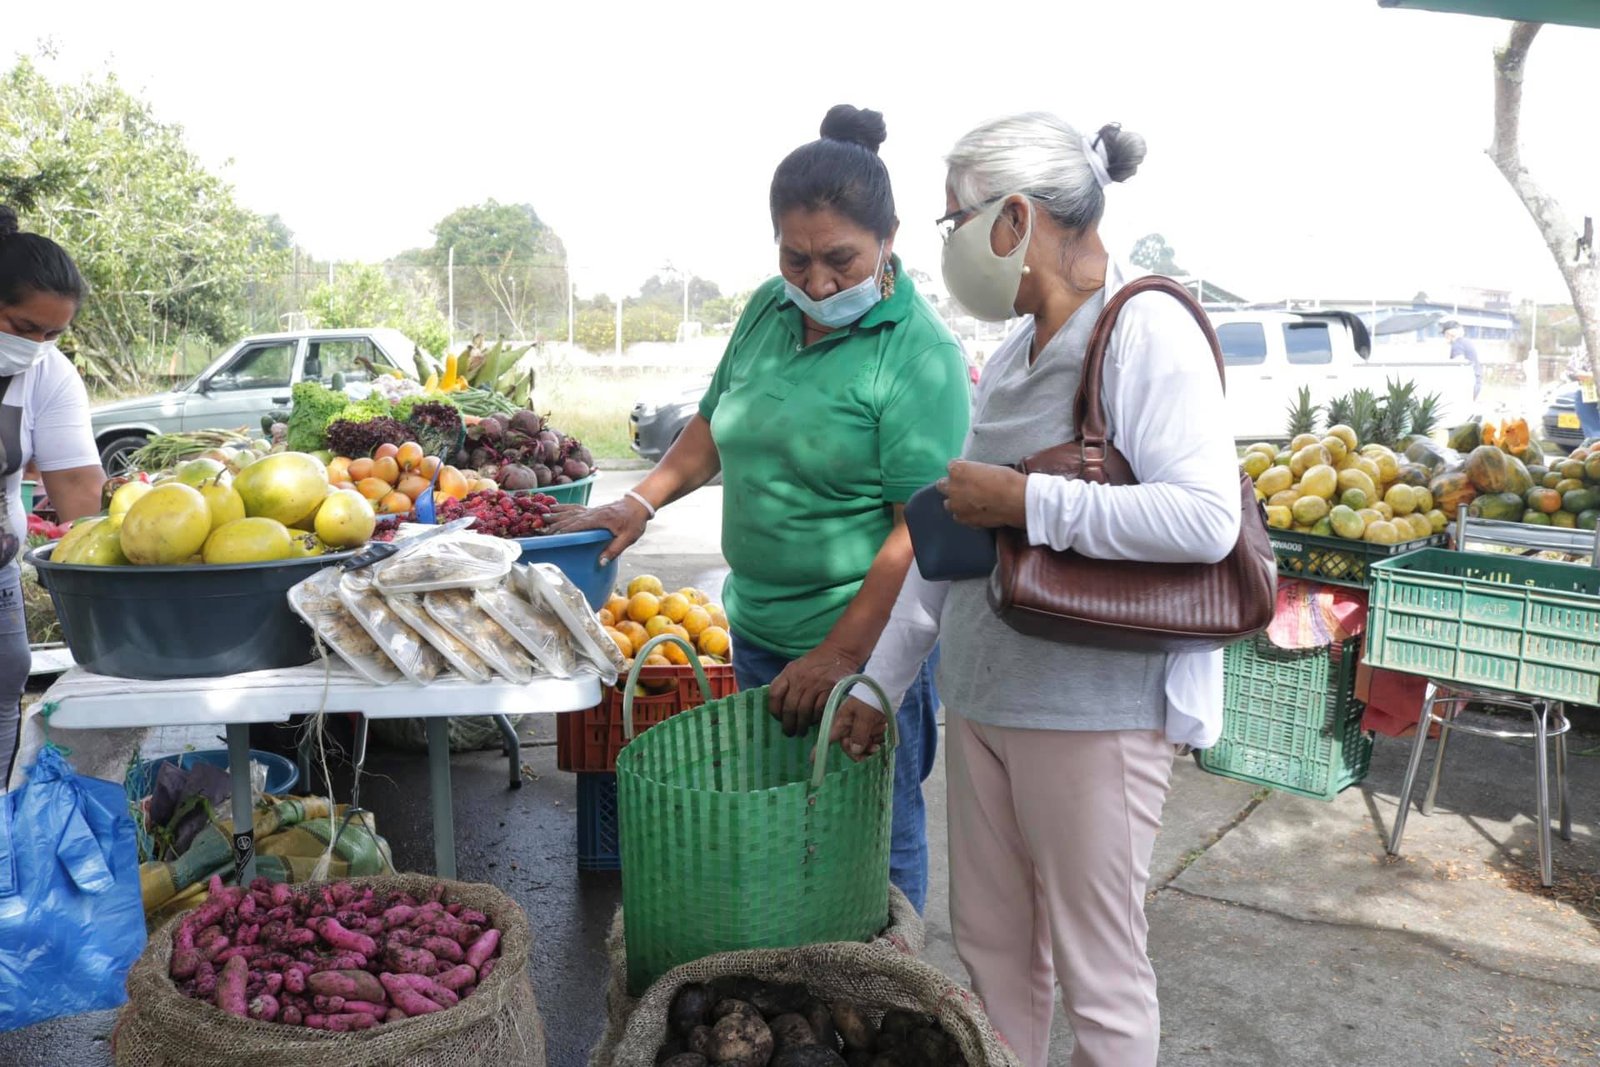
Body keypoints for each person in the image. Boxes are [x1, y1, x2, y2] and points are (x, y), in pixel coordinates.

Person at [828, 114, 1240, 1067]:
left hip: (1092, 711)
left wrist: (1028, 498)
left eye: (949, 224)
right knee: (996, 957)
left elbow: (1205, 520)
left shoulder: (1143, 327)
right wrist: (881, 681)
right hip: (984, 701)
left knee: (1101, 974)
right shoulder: (1015, 352)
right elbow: (954, 547)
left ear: (1012, 217)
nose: (942, 250)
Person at [546, 106, 970, 912]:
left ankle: (886, 1000)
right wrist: (638, 501)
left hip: (864, 653)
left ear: (889, 239)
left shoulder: (918, 354)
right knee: (787, 825)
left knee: (874, 839)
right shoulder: (766, 314)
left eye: (840, 260)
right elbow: (713, 425)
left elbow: (916, 530)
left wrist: (844, 654)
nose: (816, 283)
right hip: (760, 634)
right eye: (796, 258)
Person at [0, 206, 107, 784]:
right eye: (22, 327)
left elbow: (78, 494)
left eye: (52, 333)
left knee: (4, 683)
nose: (36, 345)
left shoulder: (49, 373)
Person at [1442, 318, 1481, 401]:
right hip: (1476, 382)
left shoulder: (1457, 344)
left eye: (1444, 334)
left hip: (1467, 384)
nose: (1445, 337)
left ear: (1448, 333)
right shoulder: (1466, 341)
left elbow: (1458, 364)